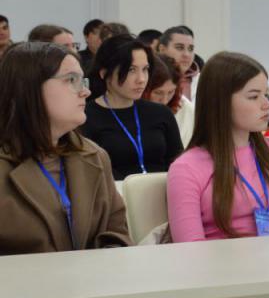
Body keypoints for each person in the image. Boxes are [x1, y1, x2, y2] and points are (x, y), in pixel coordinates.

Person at [166, 51, 269, 242]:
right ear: (221, 102)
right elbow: (190, 250)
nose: (267, 105)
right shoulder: (186, 168)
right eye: (254, 97)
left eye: (266, 95)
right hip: (220, 261)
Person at [0, 41, 130, 254]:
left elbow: (117, 233)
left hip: (92, 274)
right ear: (29, 88)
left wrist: (103, 263)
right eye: (71, 80)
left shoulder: (94, 155)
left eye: (82, 81)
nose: (85, 92)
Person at [80, 35, 183, 181]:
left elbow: (178, 162)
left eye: (145, 69)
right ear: (104, 73)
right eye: (131, 70)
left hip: (162, 191)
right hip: (115, 192)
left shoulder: (161, 113)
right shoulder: (86, 117)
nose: (141, 79)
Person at [142, 54, 195, 147]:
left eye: (171, 92)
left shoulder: (186, 108)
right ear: (144, 89)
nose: (164, 100)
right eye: (158, 93)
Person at [157, 26, 200, 101]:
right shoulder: (147, 79)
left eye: (190, 49)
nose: (186, 54)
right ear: (162, 49)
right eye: (179, 48)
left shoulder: (204, 81)